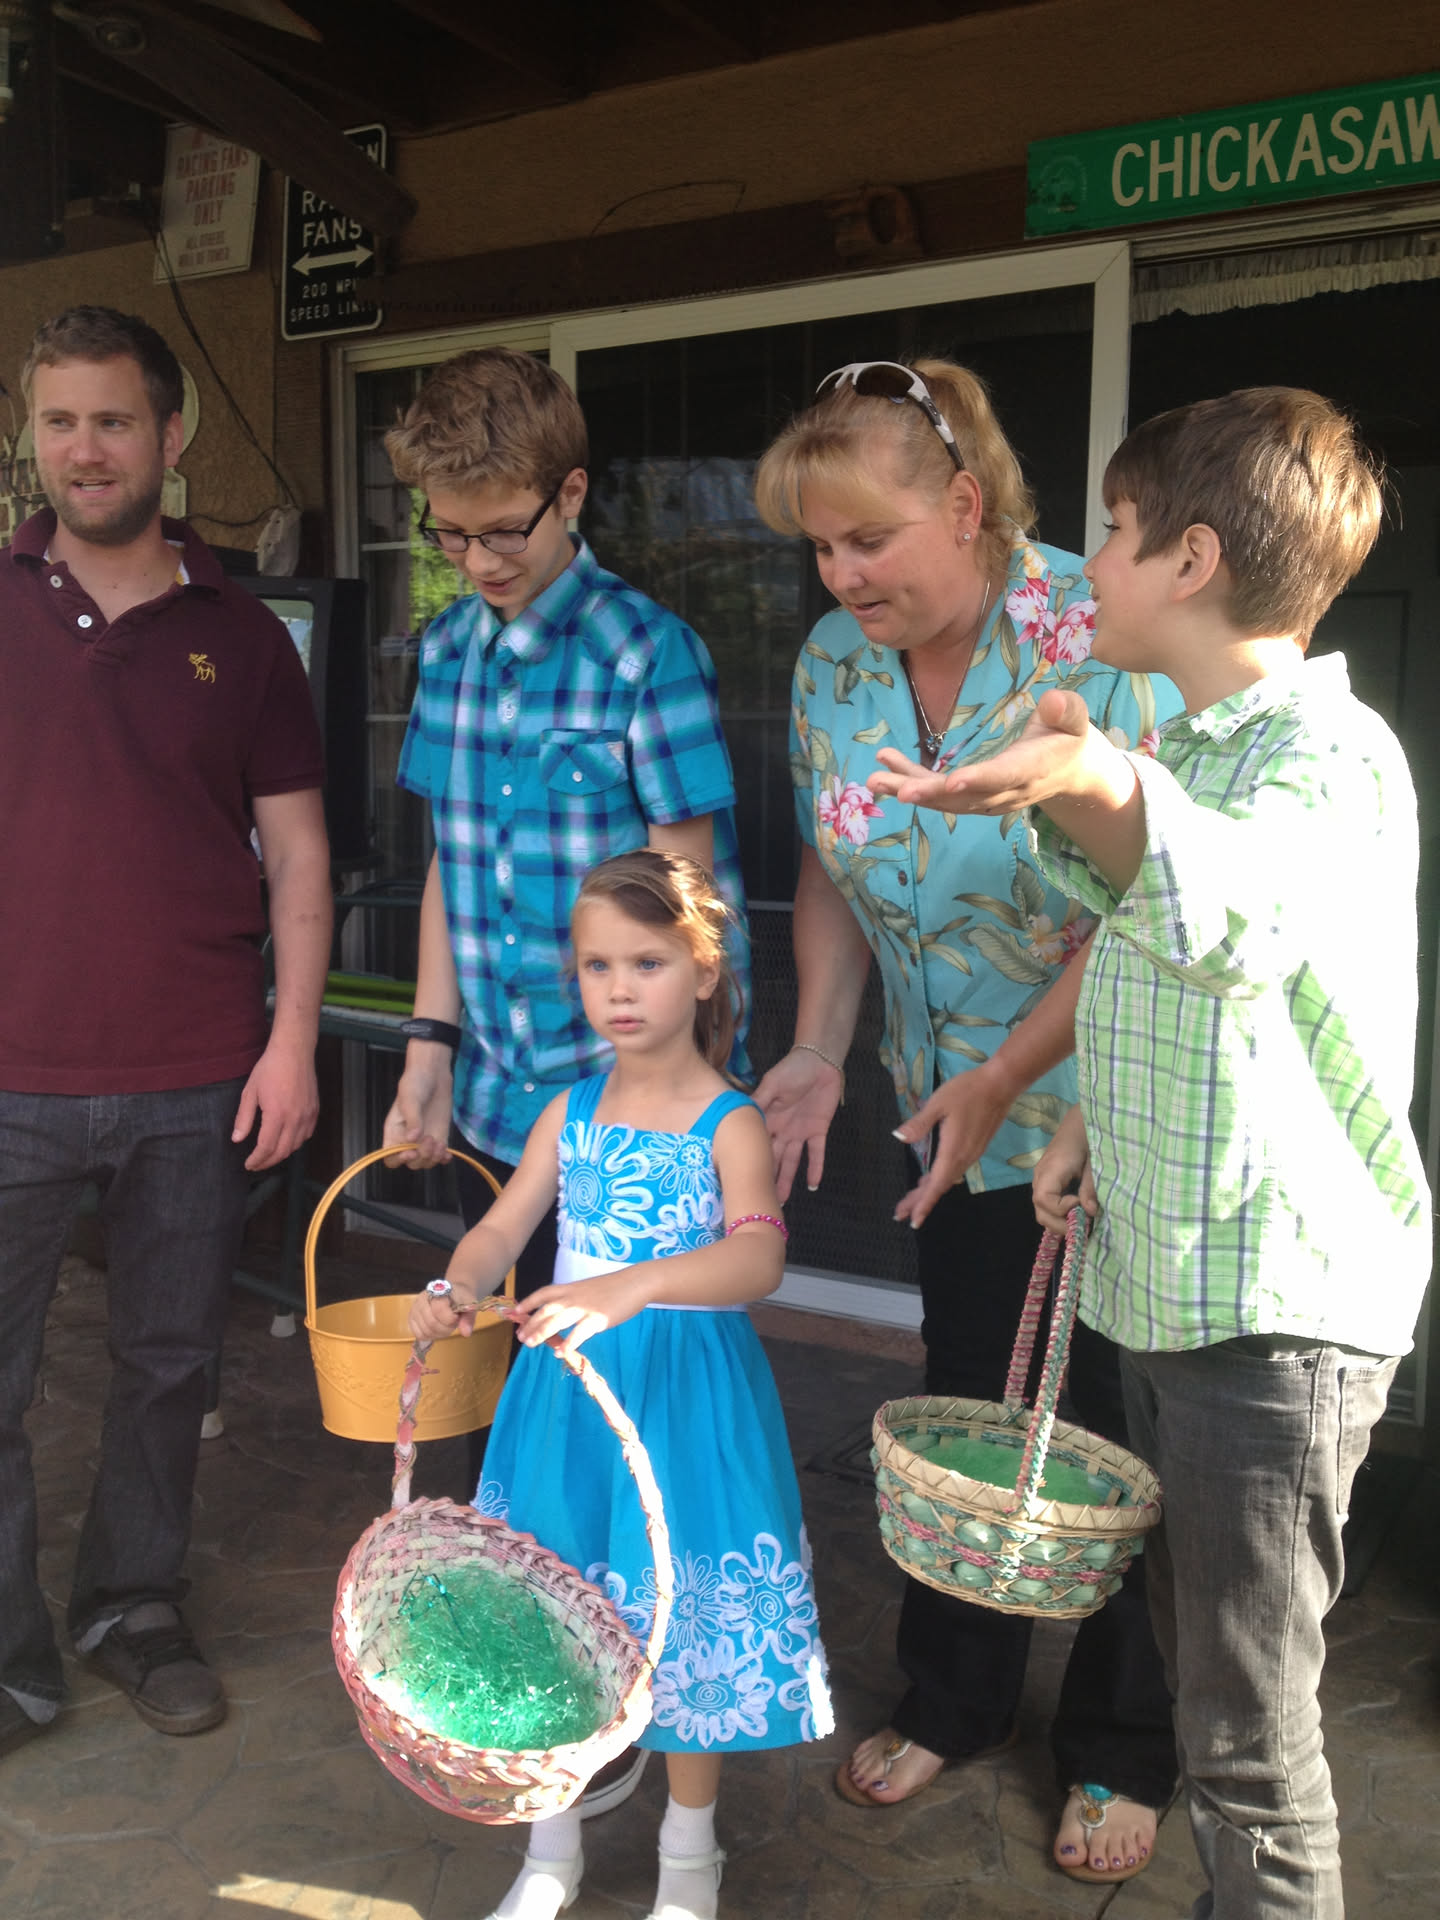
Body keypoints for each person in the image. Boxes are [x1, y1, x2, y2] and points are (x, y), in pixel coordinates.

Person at [870, 385, 1431, 1920]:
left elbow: (1230, 917)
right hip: (1183, 1289)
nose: (1091, 560)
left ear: (1192, 560)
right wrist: (1082, 1120)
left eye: (1115, 531)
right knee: (1202, 1678)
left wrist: (1097, 780)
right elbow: (1165, 971)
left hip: (1274, 1331)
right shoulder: (1201, 749)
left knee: (1247, 1739)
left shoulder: (1330, 754)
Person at [751, 359, 1180, 1881]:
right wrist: (818, 1046)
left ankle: (1123, 1741)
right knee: (968, 1402)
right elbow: (831, 866)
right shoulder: (833, 665)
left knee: (1114, 1427)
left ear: (965, 502)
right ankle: (959, 1696)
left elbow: (1147, 899)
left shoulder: (1096, 629)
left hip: (1107, 1108)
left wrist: (1013, 1075)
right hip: (946, 1108)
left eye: (869, 539)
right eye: (821, 546)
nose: (842, 574)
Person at [0, 307, 331, 1755]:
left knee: (169, 1365)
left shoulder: (244, 638)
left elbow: (300, 854)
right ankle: (9, 1657)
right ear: (32, 434)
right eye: (60, 420)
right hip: (8, 1072)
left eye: (114, 420)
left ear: (171, 435)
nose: (86, 449)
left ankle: (131, 1606)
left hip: (200, 1072)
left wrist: (293, 1039)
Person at [409, 848, 830, 1920]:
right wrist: (458, 1284)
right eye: (598, 966)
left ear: (703, 971)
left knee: (679, 1611)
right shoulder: (571, 1111)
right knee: (554, 1610)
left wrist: (629, 1286)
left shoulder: (728, 1120)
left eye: (647, 963)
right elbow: (503, 1227)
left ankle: (690, 1852)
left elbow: (758, 1256)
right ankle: (550, 1849)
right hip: (567, 1407)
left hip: (687, 1401)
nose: (619, 989)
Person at [380, 347, 749, 1298]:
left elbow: (690, 905)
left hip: (627, 1106)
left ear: (571, 493)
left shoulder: (647, 654)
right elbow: (452, 864)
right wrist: (429, 1053)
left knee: (622, 1364)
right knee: (503, 1348)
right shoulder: (446, 653)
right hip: (492, 1096)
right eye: (450, 534)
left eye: (506, 530)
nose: (478, 562)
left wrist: (677, 1112)